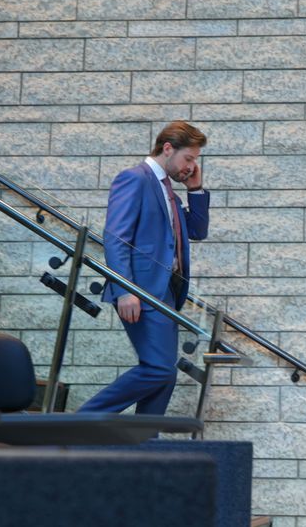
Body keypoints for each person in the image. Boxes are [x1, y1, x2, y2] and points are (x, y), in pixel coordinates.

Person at [79, 121, 210, 415]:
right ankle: (79, 423)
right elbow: (115, 238)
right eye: (188, 158)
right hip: (140, 290)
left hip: (165, 292)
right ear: (167, 148)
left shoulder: (169, 193)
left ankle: (146, 448)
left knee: (165, 376)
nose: (190, 166)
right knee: (159, 370)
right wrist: (125, 290)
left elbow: (198, 230)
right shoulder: (135, 179)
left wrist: (196, 189)